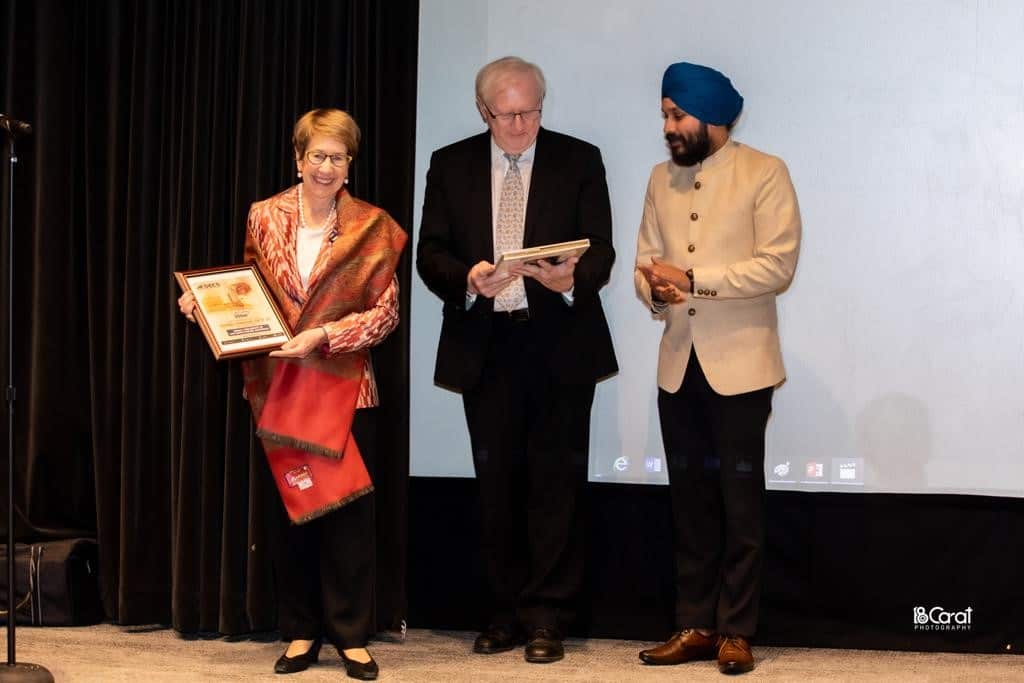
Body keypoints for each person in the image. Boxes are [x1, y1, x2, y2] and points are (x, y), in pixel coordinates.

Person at [178, 108, 406, 680]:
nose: (326, 167)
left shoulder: (374, 225)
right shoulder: (264, 215)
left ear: (350, 164)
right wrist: (205, 305)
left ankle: (352, 636)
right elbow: (248, 289)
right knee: (292, 514)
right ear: (297, 159)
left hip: (346, 387)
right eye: (316, 156)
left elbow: (386, 314)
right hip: (279, 385)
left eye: (338, 157)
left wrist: (325, 336)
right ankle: (300, 631)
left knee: (349, 518)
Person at [416, 56, 617, 664]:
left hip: (558, 342)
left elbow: (601, 247)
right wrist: (470, 277)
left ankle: (547, 618)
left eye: (532, 110)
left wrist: (571, 280)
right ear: (485, 111)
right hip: (488, 346)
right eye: (509, 114)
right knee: (497, 487)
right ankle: (502, 614)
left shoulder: (578, 158)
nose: (523, 123)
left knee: (556, 487)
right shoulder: (450, 164)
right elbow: (431, 252)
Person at [634, 62, 801, 675]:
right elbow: (644, 263)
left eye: (676, 116)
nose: (668, 128)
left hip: (743, 366)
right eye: (664, 116)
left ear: (711, 116)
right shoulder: (659, 178)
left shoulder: (765, 172)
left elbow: (777, 266)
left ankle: (737, 629)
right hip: (678, 365)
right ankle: (696, 624)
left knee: (739, 500)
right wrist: (657, 292)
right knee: (691, 503)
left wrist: (696, 280)